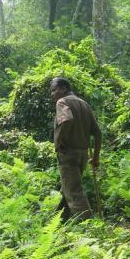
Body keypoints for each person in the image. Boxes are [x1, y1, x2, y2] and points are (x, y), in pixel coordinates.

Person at [50, 77, 101, 221]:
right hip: (82, 154)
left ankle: (90, 226)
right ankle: (59, 221)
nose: (52, 94)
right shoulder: (84, 104)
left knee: (74, 192)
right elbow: (97, 132)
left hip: (68, 153)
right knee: (69, 189)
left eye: (54, 90)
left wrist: (57, 142)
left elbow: (66, 119)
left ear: (64, 89)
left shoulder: (62, 102)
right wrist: (96, 157)